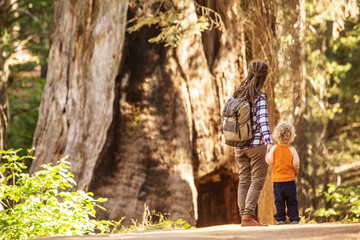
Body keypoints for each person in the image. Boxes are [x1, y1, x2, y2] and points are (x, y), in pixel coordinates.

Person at [233, 60, 274, 227]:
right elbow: (263, 121)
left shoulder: (236, 94)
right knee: (257, 180)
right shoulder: (259, 96)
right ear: (264, 76)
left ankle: (245, 217)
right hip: (256, 145)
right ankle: (248, 217)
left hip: (238, 145)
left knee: (244, 181)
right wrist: (269, 142)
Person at [265, 122, 301, 225]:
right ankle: (293, 218)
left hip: (278, 181)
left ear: (277, 135)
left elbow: (269, 161)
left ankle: (280, 219)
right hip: (290, 180)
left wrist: (267, 154)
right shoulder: (292, 149)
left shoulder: (274, 149)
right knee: (292, 200)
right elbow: (296, 162)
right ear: (291, 136)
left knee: (279, 200)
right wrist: (296, 170)